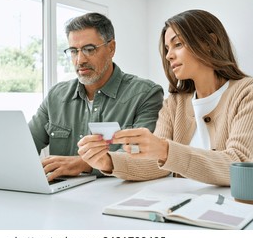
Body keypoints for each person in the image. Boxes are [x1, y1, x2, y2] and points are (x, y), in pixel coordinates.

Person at [78, 9, 253, 186]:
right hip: (188, 206)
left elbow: (241, 164)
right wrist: (108, 161)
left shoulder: (252, 92)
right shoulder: (175, 102)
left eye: (178, 44)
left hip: (251, 207)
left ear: (210, 42)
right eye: (167, 49)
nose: (169, 56)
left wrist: (165, 149)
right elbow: (157, 165)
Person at [28, 12, 164, 182]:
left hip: (119, 197)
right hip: (60, 198)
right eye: (73, 51)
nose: (80, 60)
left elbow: (147, 156)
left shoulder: (146, 94)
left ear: (111, 48)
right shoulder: (56, 96)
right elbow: (24, 146)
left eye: (89, 49)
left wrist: (84, 164)